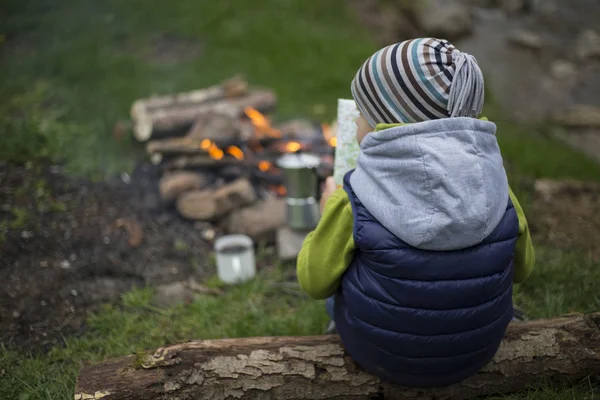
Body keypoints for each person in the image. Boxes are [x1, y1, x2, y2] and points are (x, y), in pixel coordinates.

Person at [296, 38, 535, 388]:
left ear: (387, 121)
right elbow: (523, 270)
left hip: (382, 355)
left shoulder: (353, 197)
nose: (357, 120)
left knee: (335, 292)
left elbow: (313, 282)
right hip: (478, 351)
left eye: (363, 112)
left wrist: (324, 216)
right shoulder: (495, 186)